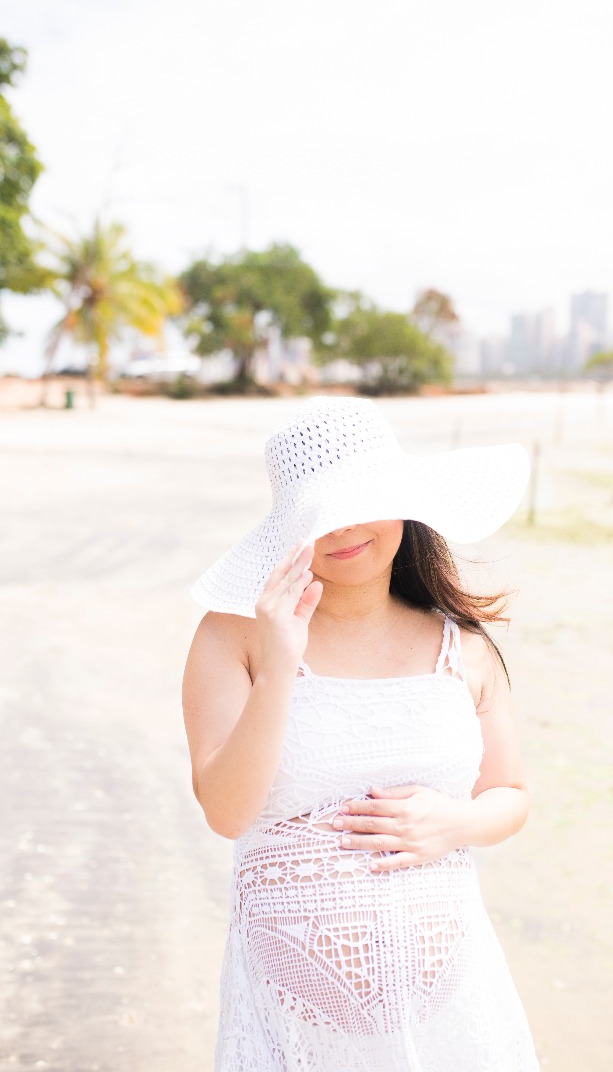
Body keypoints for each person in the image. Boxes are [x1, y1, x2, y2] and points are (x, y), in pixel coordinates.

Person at [182, 396, 539, 1071]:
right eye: (319, 513)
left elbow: (511, 794)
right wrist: (282, 662)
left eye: (362, 499)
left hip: (457, 1014)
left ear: (405, 503)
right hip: (291, 1027)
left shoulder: (461, 646)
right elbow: (226, 812)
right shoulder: (232, 636)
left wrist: (453, 824)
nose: (342, 527)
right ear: (288, 527)